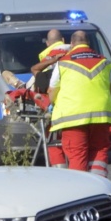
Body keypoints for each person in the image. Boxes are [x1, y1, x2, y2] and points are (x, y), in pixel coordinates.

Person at [48, 30, 111, 177]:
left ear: (71, 44)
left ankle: (82, 193)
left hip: (73, 117)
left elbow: (52, 92)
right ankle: (98, 189)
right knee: (99, 152)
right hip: (101, 116)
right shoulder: (104, 61)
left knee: (78, 155)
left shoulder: (63, 62)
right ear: (88, 43)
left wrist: (55, 104)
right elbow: (109, 87)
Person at [28, 29, 69, 167]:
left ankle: (18, 84)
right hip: (78, 106)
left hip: (56, 105)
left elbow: (36, 72)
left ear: (47, 43)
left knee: (53, 142)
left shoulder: (49, 55)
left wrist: (52, 60)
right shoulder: (75, 52)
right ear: (63, 40)